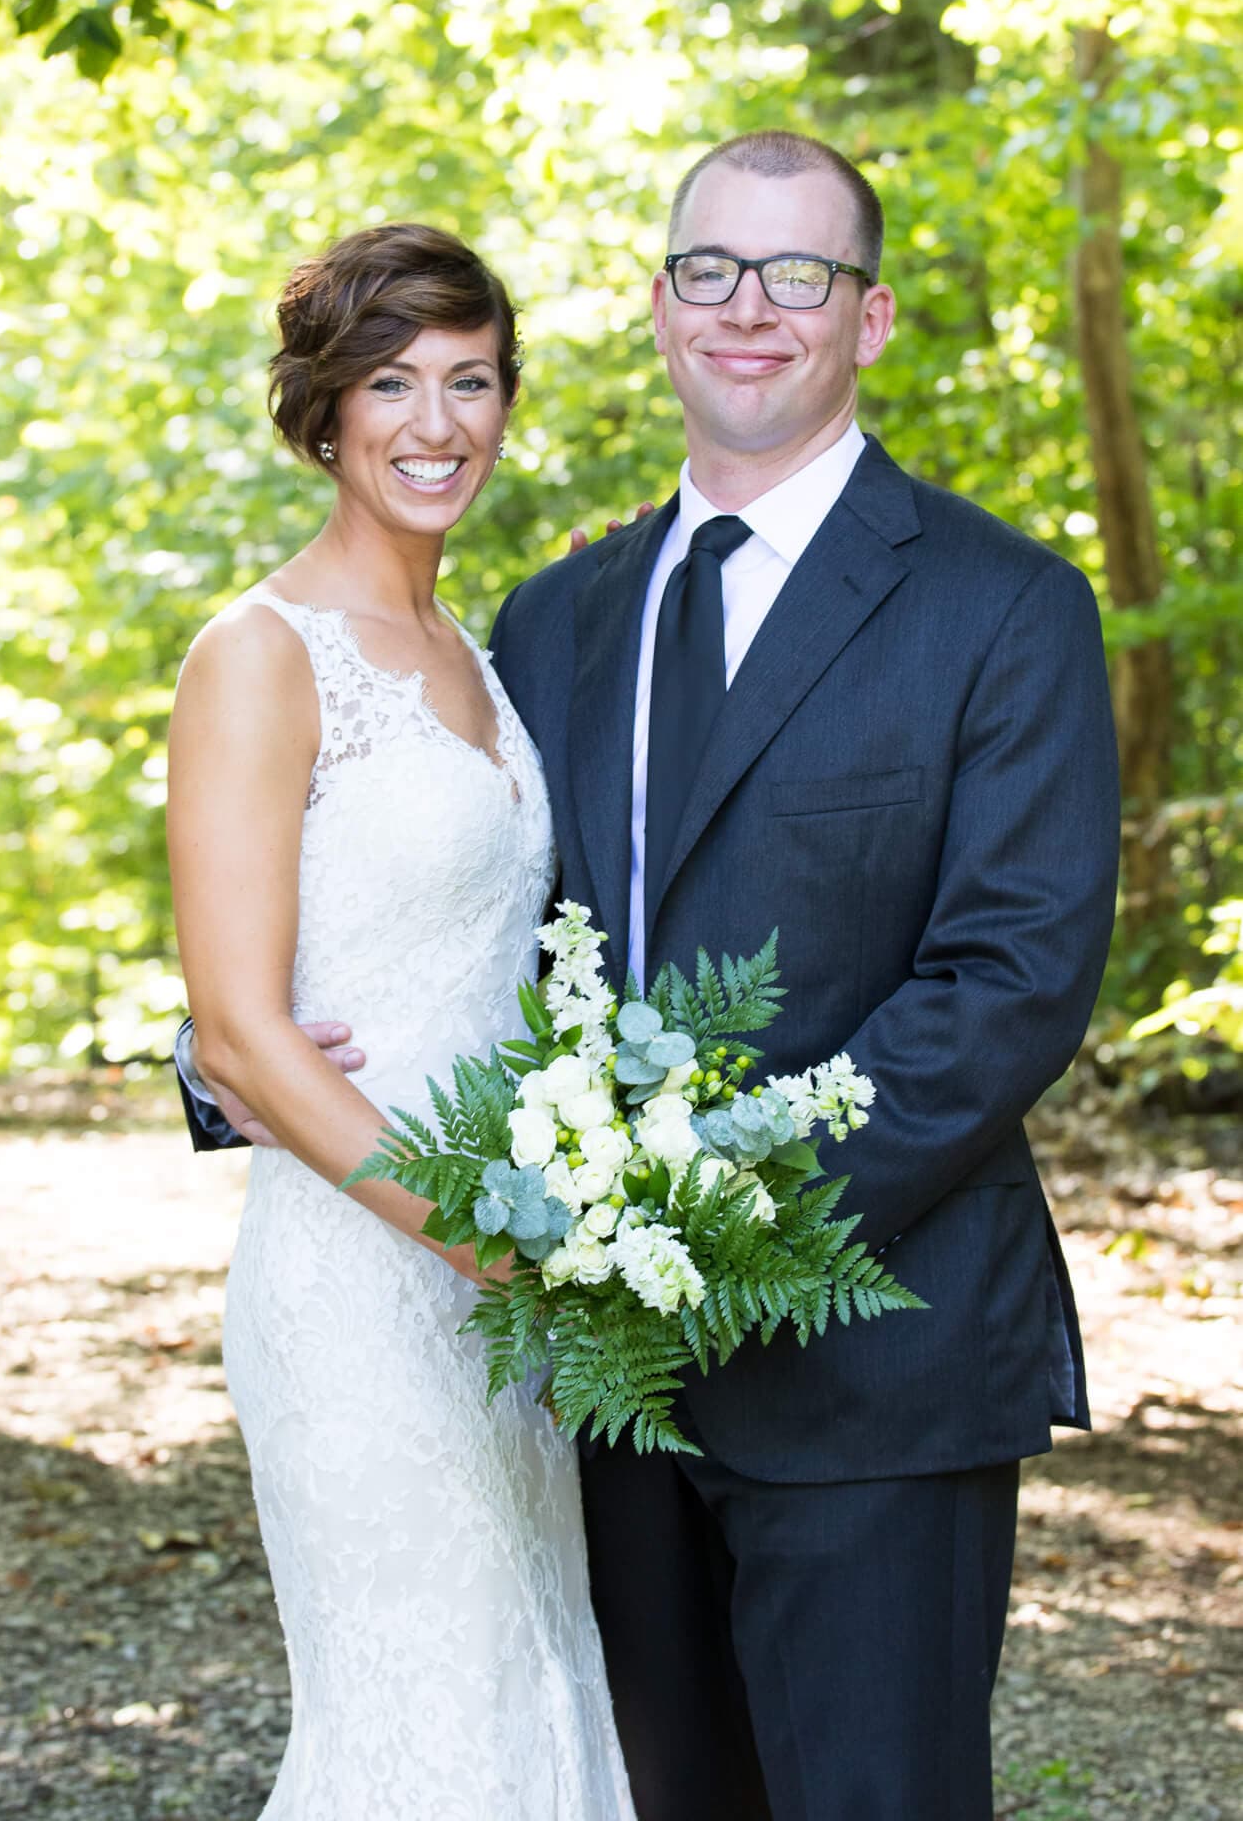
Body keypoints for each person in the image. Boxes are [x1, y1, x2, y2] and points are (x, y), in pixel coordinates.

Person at [179, 131, 1121, 1821]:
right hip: (585, 1386)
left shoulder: (1002, 607)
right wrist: (229, 1048)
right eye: (709, 270)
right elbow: (458, 919)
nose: (746, 310)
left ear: (872, 317)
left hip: (867, 1362)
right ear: (663, 305)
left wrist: (708, 1229)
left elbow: (1014, 977)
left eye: (797, 275)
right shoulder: (552, 621)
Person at [165, 221, 635, 1820]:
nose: (436, 423)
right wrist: (484, 1239)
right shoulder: (257, 654)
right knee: (412, 1724)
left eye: (471, 381)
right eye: (392, 383)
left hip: (513, 1287)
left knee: (531, 1687)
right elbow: (234, 1030)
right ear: (324, 409)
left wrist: (553, 1240)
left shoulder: (475, 656)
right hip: (370, 1285)